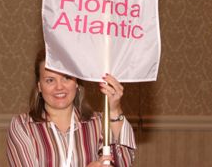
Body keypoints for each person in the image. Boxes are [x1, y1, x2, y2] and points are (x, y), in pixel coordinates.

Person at [7, 49, 136, 166]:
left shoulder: (98, 123)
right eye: (50, 80)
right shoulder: (22, 126)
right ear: (40, 86)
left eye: (67, 78)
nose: (59, 87)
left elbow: (123, 162)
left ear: (77, 83)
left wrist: (114, 110)